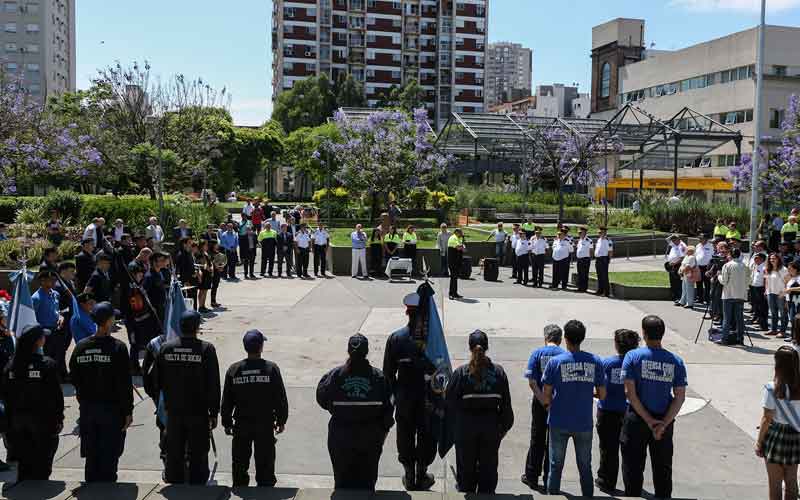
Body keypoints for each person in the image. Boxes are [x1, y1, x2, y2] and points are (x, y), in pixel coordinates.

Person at [620, 315, 687, 499]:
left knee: (633, 467)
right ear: (662, 334)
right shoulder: (676, 361)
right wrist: (663, 424)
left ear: (644, 333)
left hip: (637, 420)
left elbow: (630, 394)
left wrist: (649, 422)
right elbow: (680, 397)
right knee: (663, 469)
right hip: (664, 420)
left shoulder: (632, 357)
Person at [316, 334, 394, 490]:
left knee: (342, 484)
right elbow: (388, 410)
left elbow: (321, 398)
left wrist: (340, 411)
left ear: (348, 351)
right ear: (367, 352)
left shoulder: (335, 376)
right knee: (367, 484)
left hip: (340, 437)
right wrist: (381, 433)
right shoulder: (379, 378)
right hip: (370, 438)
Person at [153, 310, 221, 484]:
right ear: (197, 327)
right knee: (198, 450)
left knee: (174, 448)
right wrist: (213, 412)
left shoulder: (166, 348)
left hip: (174, 411)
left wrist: (163, 401)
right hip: (198, 411)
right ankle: (197, 482)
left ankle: (174, 478)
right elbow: (213, 385)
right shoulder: (206, 349)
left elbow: (154, 380)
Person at [69, 302, 134, 482]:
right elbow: (124, 384)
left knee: (91, 453)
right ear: (107, 321)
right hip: (112, 411)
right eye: (113, 317)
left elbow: (73, 375)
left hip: (88, 409)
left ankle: (92, 485)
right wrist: (128, 411)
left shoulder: (81, 347)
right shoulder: (118, 348)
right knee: (110, 454)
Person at [541, 320, 605, 497]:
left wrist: (549, 405)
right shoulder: (595, 361)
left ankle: (552, 494)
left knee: (555, 465)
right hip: (583, 422)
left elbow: (546, 393)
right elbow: (603, 394)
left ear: (566, 339)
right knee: (585, 466)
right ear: (582, 338)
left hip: (559, 421)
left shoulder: (554, 363)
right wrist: (588, 392)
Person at [446, 330, 513, 494]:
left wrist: (456, 431)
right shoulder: (499, 373)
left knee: (466, 474)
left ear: (469, 348)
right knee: (488, 473)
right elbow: (507, 411)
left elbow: (449, 405)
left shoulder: (460, 374)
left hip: (465, 430)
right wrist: (499, 432)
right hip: (490, 429)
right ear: (487, 347)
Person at [383, 293, 437, 491]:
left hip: (404, 395)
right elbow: (440, 371)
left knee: (405, 433)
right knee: (426, 433)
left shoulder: (396, 338)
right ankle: (421, 473)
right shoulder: (433, 341)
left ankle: (409, 473)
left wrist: (394, 397)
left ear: (407, 312)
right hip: (426, 396)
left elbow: (388, 374)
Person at [222, 330, 289, 487]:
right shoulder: (271, 369)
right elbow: (280, 398)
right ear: (261, 347)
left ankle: (240, 487)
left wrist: (226, 422)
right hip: (264, 424)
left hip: (241, 424)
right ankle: (265, 490)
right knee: (265, 461)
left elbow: (227, 400)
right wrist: (281, 420)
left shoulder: (234, 370)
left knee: (239, 461)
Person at [1, 324, 64, 481]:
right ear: (38, 342)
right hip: (42, 425)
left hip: (17, 425)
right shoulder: (47, 365)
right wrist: (58, 419)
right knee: (41, 468)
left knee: (24, 466)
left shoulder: (10, 367)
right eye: (43, 336)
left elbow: (5, 396)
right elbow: (56, 397)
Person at [596, 328, 641, 494]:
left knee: (608, 449)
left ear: (616, 345)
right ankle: (632, 485)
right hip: (629, 410)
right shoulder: (636, 364)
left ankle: (606, 480)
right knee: (631, 450)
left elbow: (599, 386)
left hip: (607, 410)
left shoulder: (607, 363)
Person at [522, 324, 565, 491]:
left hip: (540, 402)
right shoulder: (565, 355)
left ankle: (532, 476)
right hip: (558, 403)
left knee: (537, 438)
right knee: (553, 441)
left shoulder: (537, 353)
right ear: (560, 339)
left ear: (545, 338)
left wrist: (543, 401)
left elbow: (532, 382)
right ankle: (549, 477)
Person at [757, 346, 800, 500]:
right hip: (795, 436)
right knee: (792, 480)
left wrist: (759, 442)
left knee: (775, 483)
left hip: (776, 435)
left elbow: (767, 418)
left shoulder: (772, 388)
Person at [717, 248, 751, 345]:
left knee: (727, 318)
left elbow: (724, 281)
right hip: (740, 295)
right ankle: (740, 338)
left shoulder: (727, 265)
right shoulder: (745, 266)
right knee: (739, 318)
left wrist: (719, 276)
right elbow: (748, 281)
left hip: (729, 294)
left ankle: (724, 339)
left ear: (731, 255)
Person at [767, 253, 791, 338]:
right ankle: (774, 329)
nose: (772, 260)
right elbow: (767, 281)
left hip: (781, 294)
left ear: (778, 259)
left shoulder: (783, 269)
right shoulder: (769, 269)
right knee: (773, 313)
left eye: (774, 258)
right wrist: (767, 291)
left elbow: (788, 282)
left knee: (783, 313)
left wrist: (784, 293)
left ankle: (783, 331)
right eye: (770, 259)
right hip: (771, 293)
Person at [32, 270, 62, 336]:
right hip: (44, 330)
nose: (54, 282)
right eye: (51, 280)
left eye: (55, 280)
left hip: (56, 328)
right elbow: (32, 317)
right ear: (42, 281)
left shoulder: (56, 294)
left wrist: (60, 317)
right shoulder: (36, 298)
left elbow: (57, 309)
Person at [665, 234, 687, 303]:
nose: (673, 241)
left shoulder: (682, 246)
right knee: (673, 282)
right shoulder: (674, 244)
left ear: (678, 239)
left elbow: (682, 258)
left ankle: (679, 297)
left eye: (674, 239)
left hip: (678, 266)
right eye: (672, 240)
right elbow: (667, 240)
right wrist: (672, 235)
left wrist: (674, 263)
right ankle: (674, 296)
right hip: (672, 265)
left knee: (678, 282)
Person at [750, 253, 770, 332]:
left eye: (757, 258)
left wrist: (765, 290)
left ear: (762, 259)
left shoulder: (764, 267)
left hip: (761, 289)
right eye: (755, 258)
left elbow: (766, 280)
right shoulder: (756, 266)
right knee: (757, 307)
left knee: (763, 308)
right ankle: (760, 323)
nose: (755, 260)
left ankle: (764, 326)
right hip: (755, 288)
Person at [593, 227, 613, 297]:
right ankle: (600, 290)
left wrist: (608, 260)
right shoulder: (599, 240)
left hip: (604, 259)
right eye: (599, 232)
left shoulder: (608, 241)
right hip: (598, 259)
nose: (599, 234)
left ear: (604, 233)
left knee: (604, 276)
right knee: (599, 276)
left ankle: (606, 292)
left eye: (600, 232)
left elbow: (610, 251)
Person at [695, 234, 714, 304]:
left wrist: (710, 268)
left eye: (701, 238)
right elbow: (696, 255)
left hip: (707, 267)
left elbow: (712, 258)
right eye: (699, 238)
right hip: (698, 267)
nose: (699, 240)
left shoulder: (710, 246)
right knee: (698, 283)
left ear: (706, 239)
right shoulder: (698, 246)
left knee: (707, 284)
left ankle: (707, 299)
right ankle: (700, 298)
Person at [447, 229, 465, 300]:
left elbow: (463, 248)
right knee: (453, 278)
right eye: (460, 232)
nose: (461, 234)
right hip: (452, 262)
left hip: (456, 261)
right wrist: (462, 247)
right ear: (456, 232)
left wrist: (462, 247)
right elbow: (458, 247)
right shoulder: (453, 238)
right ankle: (451, 294)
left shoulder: (458, 238)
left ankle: (455, 293)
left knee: (455, 278)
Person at [575, 227, 593, 293]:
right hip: (579, 259)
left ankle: (584, 288)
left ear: (585, 233)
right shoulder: (580, 240)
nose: (579, 234)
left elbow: (591, 250)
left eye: (580, 232)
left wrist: (589, 259)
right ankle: (580, 287)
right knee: (580, 274)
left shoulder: (589, 240)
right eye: (579, 233)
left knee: (584, 274)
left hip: (585, 259)